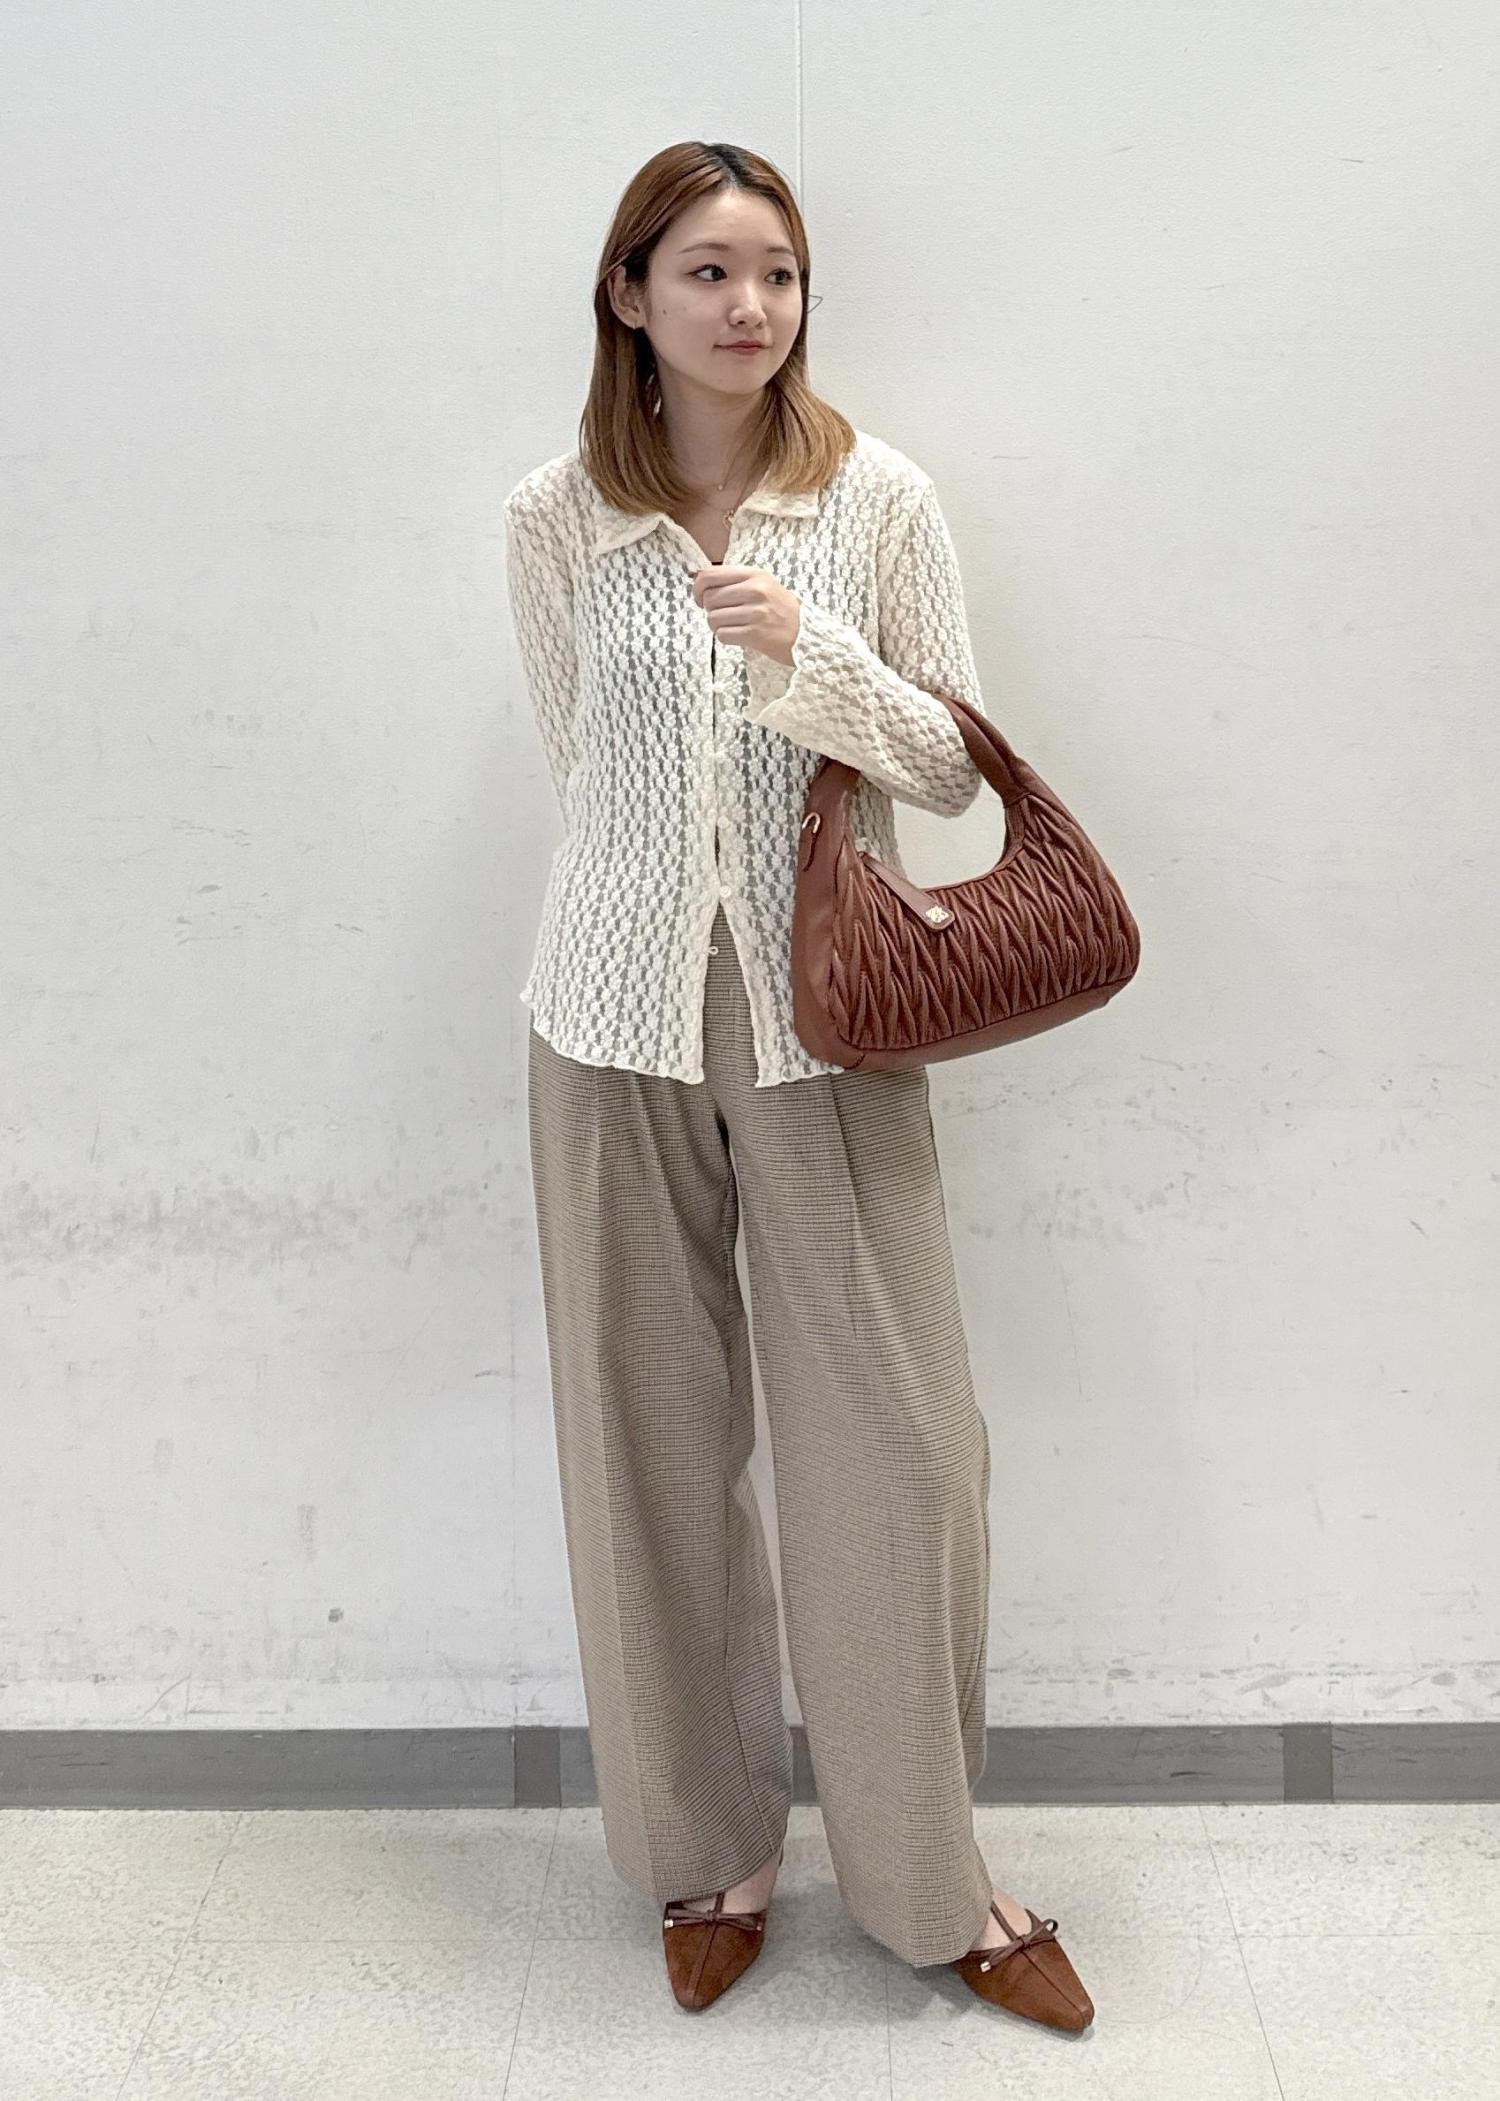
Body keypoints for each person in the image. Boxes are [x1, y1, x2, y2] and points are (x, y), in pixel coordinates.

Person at [504, 138, 1093, 2032]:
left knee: (904, 1447)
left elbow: (951, 762)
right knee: (645, 1433)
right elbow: (578, 758)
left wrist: (807, 652)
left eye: (778, 273)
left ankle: (932, 1873)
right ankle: (711, 1848)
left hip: (828, 1015)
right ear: (630, 296)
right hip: (607, 1013)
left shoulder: (876, 496)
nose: (750, 305)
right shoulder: (556, 517)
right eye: (708, 271)